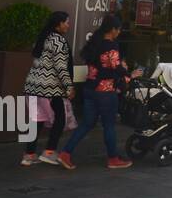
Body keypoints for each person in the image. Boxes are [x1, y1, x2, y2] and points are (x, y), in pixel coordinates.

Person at [57, 15, 134, 169]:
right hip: (105, 91)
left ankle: (65, 153)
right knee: (109, 125)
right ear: (113, 30)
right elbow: (115, 67)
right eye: (118, 30)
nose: (119, 33)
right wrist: (129, 74)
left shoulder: (94, 43)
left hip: (90, 88)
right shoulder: (111, 46)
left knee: (86, 123)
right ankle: (113, 158)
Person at [21, 11, 74, 166]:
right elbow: (60, 67)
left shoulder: (42, 37)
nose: (68, 25)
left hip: (32, 86)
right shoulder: (58, 41)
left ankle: (29, 155)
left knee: (36, 120)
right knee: (60, 118)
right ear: (58, 24)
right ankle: (49, 151)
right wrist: (69, 86)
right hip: (49, 88)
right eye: (66, 22)